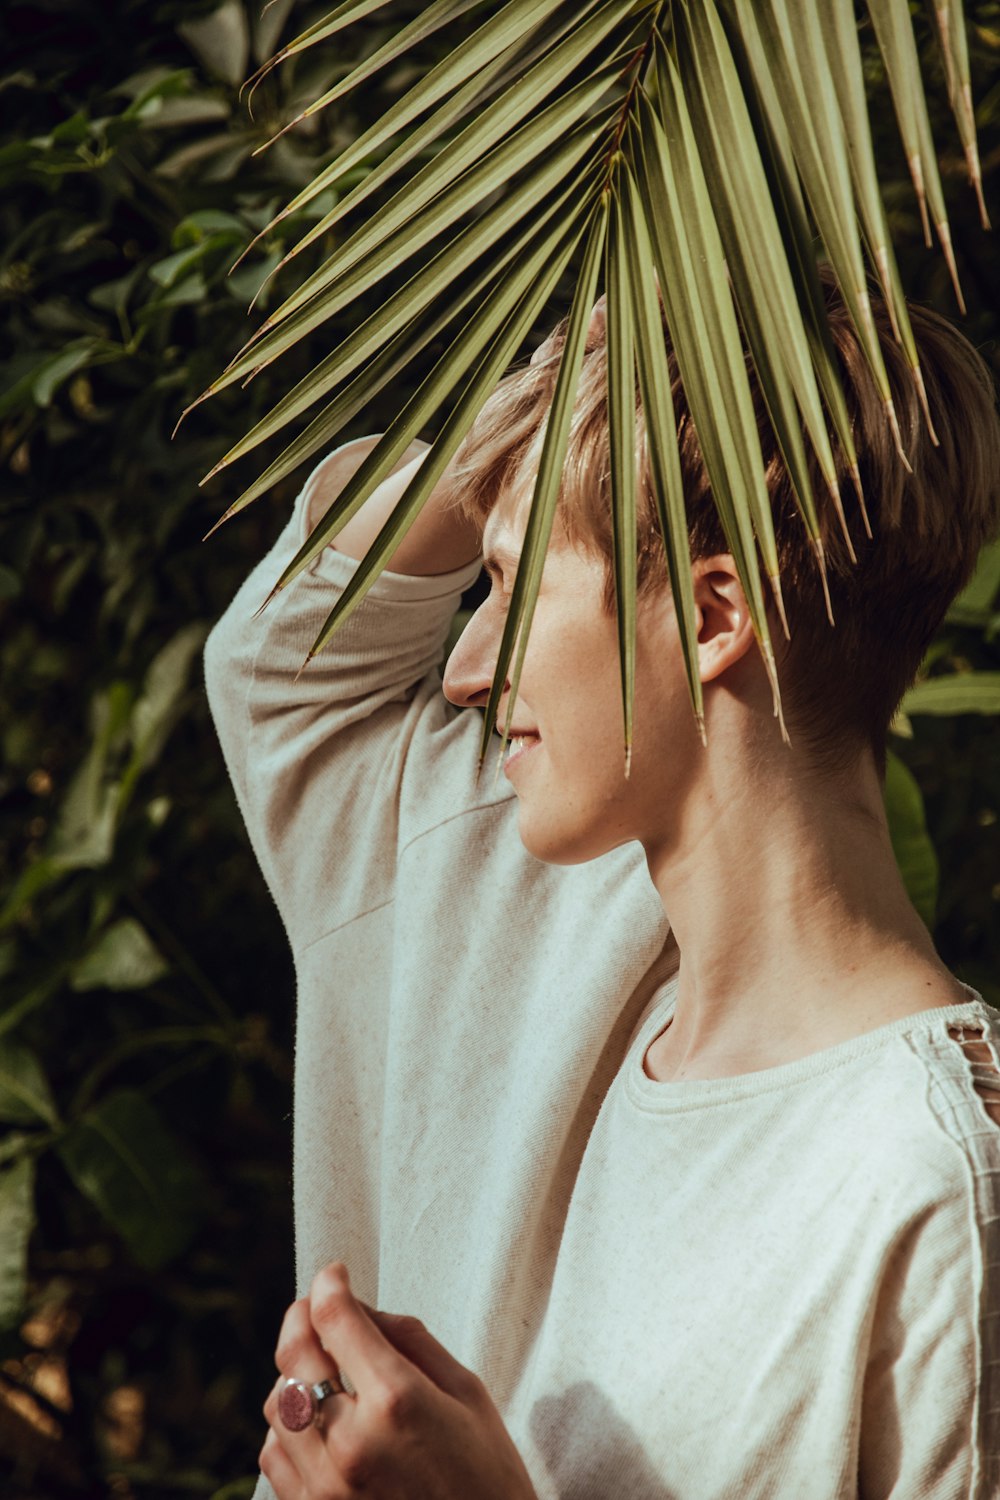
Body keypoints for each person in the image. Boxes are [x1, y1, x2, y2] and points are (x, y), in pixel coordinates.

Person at [204, 269, 1000, 1499]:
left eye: (512, 589)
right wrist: (554, 405)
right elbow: (284, 663)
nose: (465, 668)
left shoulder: (930, 1187)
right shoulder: (505, 907)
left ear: (711, 614)